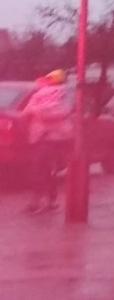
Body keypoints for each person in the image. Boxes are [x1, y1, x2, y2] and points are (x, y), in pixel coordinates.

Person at [21, 69, 73, 214]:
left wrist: (38, 112)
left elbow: (62, 111)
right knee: (44, 168)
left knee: (42, 167)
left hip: (52, 137)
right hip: (41, 136)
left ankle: (41, 200)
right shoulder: (39, 94)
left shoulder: (63, 94)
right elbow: (27, 111)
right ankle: (48, 199)